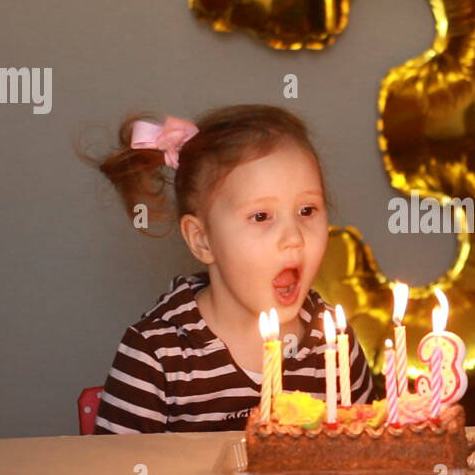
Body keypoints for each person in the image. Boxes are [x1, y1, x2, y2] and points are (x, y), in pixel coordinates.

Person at [80, 105, 378, 433]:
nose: (294, 238)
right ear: (203, 240)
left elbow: (362, 461)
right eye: (261, 216)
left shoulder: (332, 343)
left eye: (307, 210)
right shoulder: (157, 354)